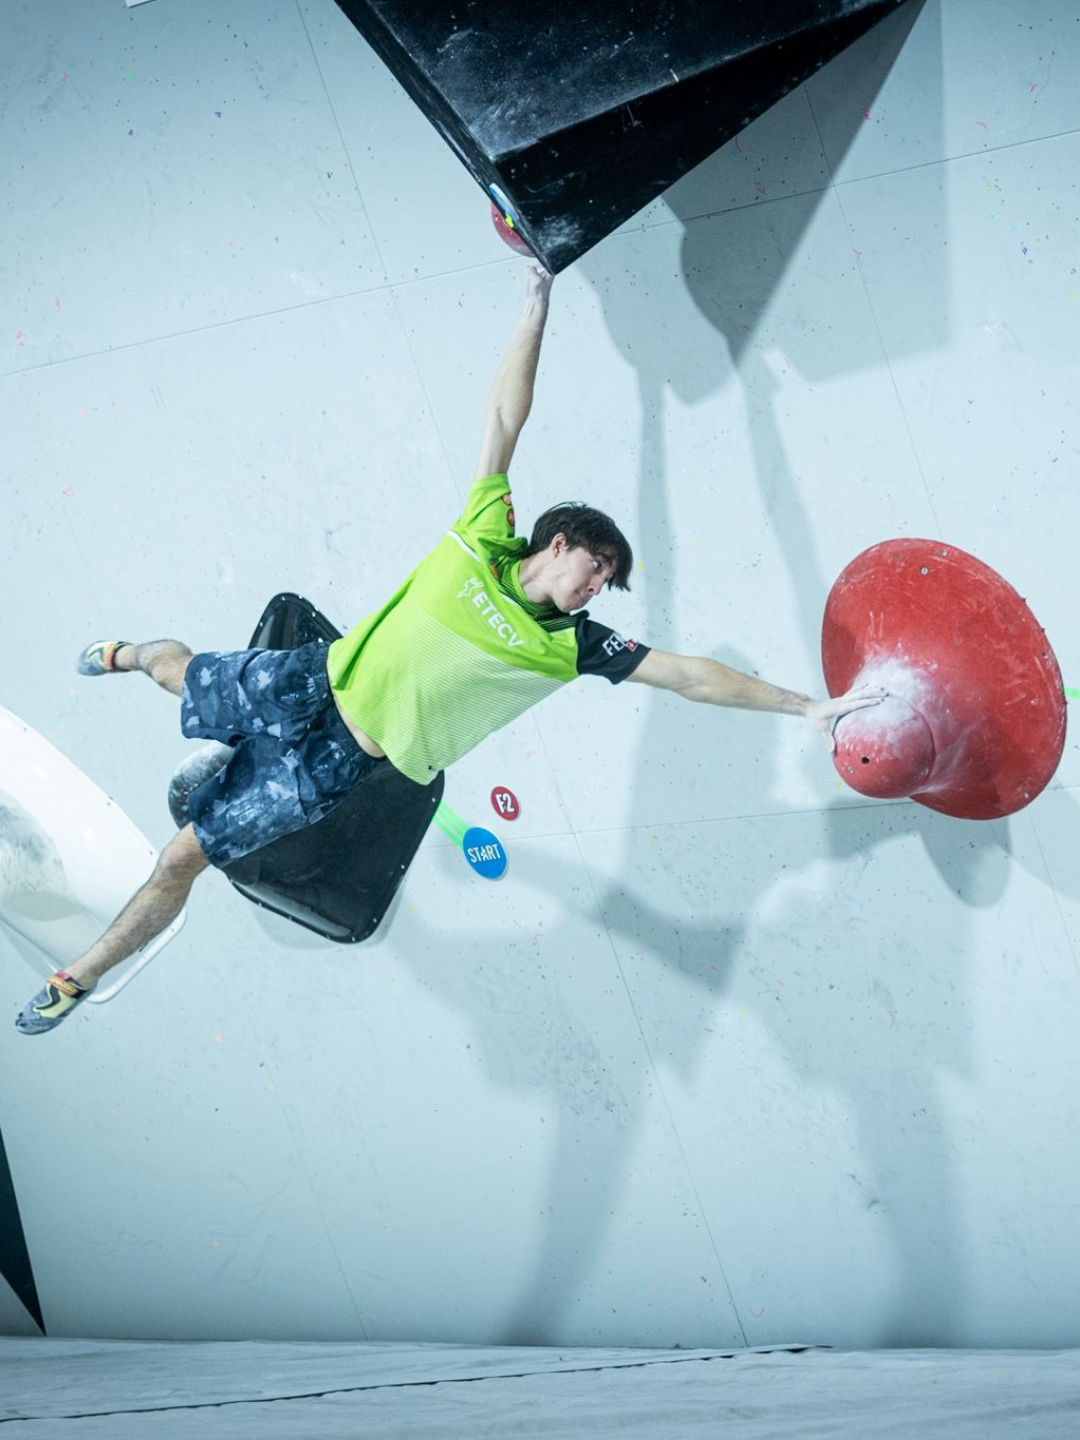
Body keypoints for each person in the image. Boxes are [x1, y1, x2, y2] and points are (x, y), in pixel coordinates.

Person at [16, 266, 882, 1035]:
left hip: (332, 764)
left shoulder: (573, 645)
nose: (596, 586)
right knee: (171, 669)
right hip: (302, 682)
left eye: (608, 581)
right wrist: (536, 305)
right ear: (558, 542)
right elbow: (505, 414)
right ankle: (126, 651)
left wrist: (806, 706)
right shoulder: (484, 532)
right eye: (595, 566)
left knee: (183, 857)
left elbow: (689, 676)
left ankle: (73, 980)